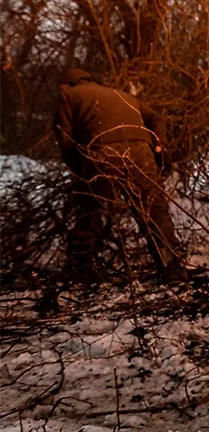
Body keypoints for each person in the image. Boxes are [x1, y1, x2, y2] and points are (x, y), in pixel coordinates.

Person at [54, 69, 185, 284]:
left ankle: (79, 269)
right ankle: (172, 267)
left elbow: (65, 139)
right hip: (141, 150)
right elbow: (155, 117)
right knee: (153, 209)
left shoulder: (67, 95)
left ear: (67, 84)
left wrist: (80, 172)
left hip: (102, 150)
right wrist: (159, 148)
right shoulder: (122, 95)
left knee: (89, 209)